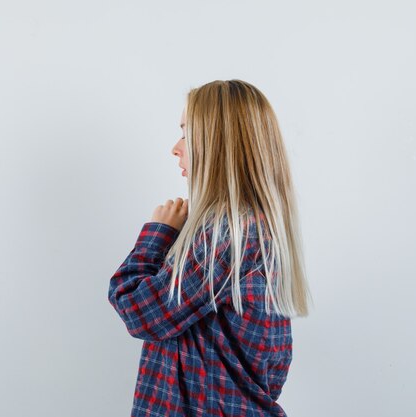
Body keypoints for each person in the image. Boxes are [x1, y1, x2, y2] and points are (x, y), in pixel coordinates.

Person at [107, 79, 313, 417]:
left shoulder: (226, 235)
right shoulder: (256, 229)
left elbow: (140, 312)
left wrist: (157, 234)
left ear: (219, 145)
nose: (176, 147)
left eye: (187, 133)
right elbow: (273, 365)